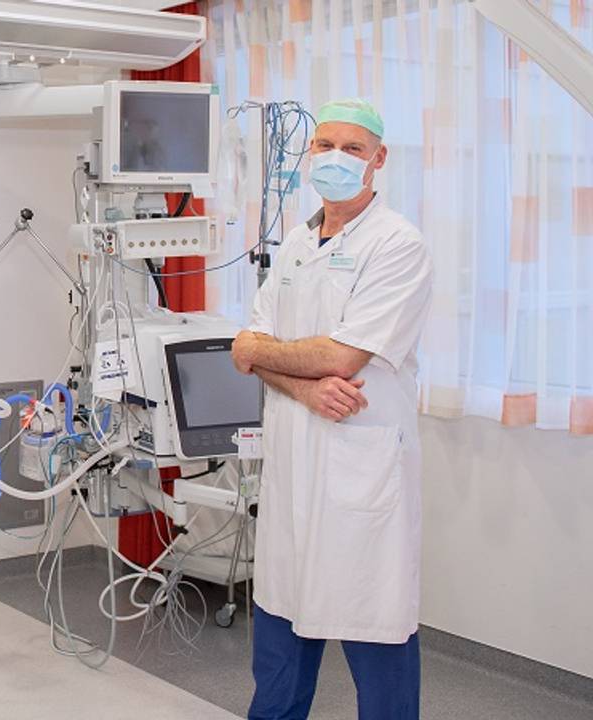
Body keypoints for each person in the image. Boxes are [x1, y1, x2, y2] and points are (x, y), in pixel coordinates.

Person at [230, 99, 434, 720]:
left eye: (352, 148)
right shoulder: (295, 243)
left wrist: (274, 358)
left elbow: (342, 357)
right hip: (295, 458)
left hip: (359, 460)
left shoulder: (398, 244)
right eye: (323, 146)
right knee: (283, 620)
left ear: (378, 159)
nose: (335, 159)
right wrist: (306, 387)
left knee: (374, 622)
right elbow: (249, 346)